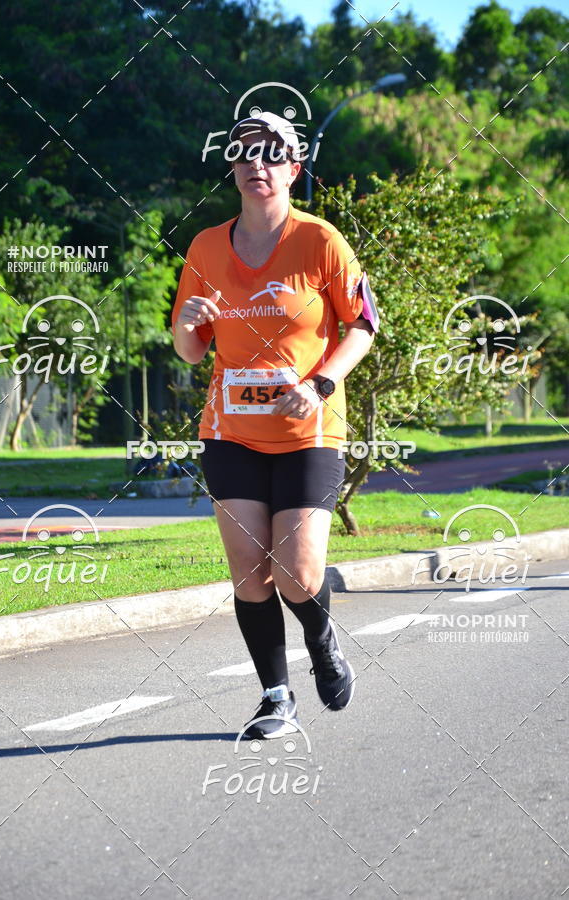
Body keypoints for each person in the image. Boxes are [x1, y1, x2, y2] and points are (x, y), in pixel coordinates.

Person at [171, 111, 376, 739]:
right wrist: (189, 320)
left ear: (293, 168)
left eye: (271, 154)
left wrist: (319, 384)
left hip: (309, 433)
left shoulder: (321, 241)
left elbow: (364, 325)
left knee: (297, 574)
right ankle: (275, 695)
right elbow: (190, 349)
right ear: (231, 168)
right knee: (249, 571)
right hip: (230, 431)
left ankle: (320, 636)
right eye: (244, 154)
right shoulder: (206, 246)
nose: (256, 164)